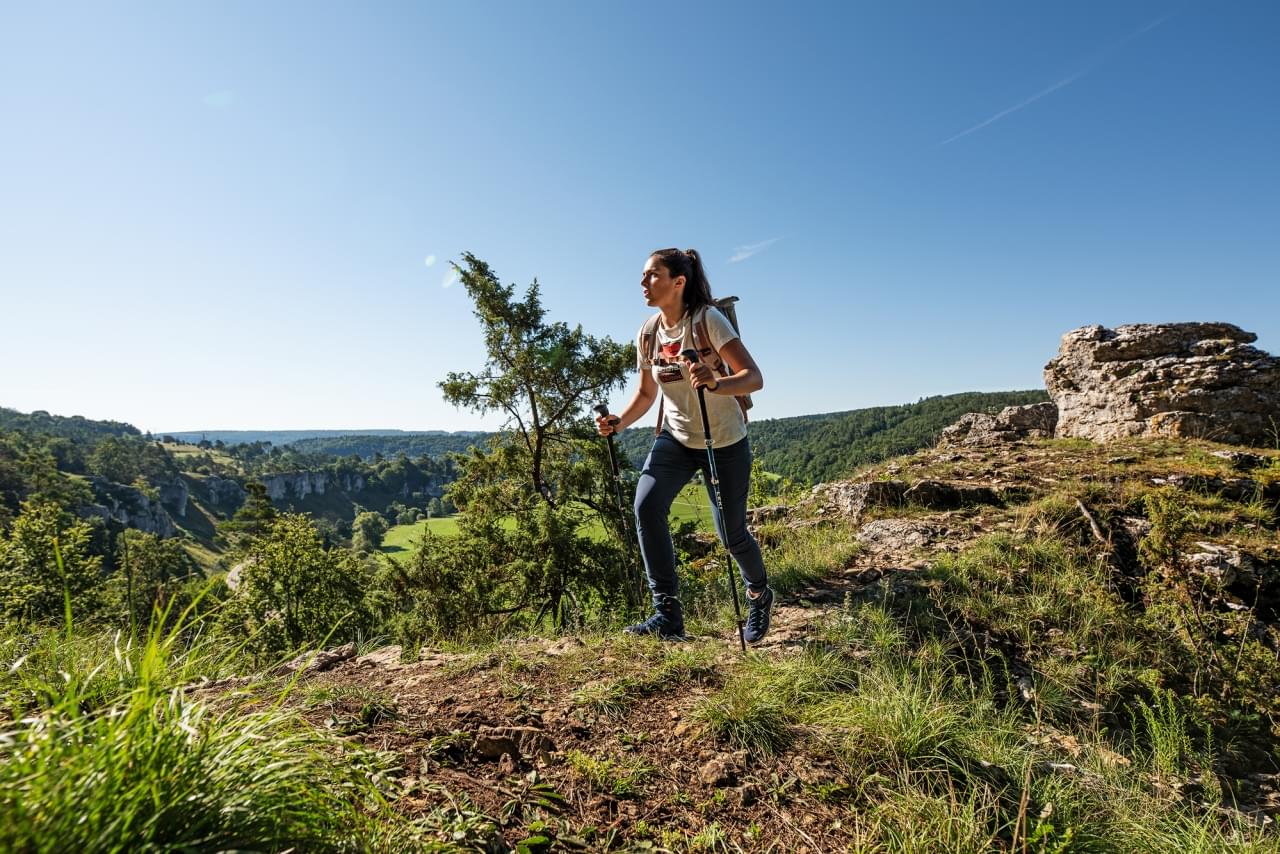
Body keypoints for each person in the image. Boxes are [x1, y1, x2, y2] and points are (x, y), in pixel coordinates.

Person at [595, 248, 771, 643]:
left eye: (652, 275)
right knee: (646, 505)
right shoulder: (647, 333)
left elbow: (753, 377)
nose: (643, 282)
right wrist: (618, 422)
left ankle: (759, 593)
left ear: (679, 282)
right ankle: (667, 616)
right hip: (675, 437)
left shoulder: (708, 320)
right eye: (643, 276)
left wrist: (716, 382)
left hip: (723, 440)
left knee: (732, 534)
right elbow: (644, 394)